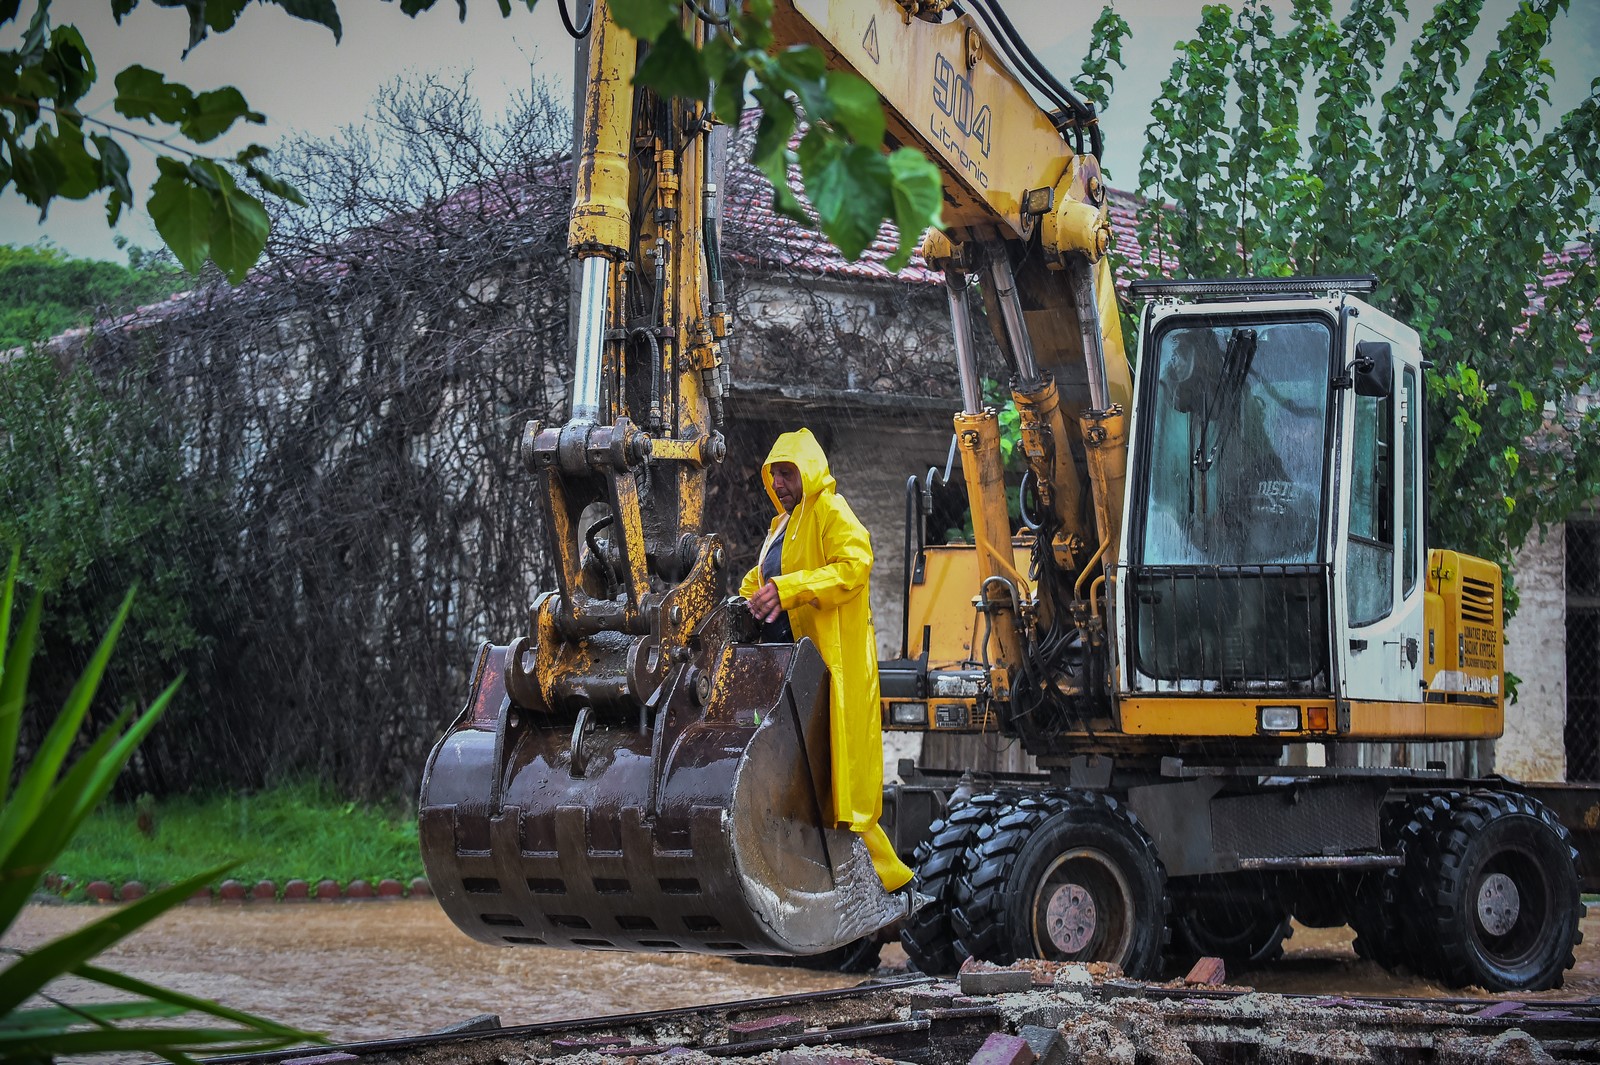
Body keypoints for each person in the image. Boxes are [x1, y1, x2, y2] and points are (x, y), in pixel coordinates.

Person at [739, 428, 916, 894]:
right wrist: (742, 602)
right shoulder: (782, 526)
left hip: (827, 671)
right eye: (774, 474)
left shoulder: (830, 512)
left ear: (809, 472)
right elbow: (760, 581)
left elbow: (854, 566)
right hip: (788, 671)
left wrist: (790, 589)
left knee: (842, 788)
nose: (779, 483)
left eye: (787, 473)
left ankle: (890, 883)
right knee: (801, 778)